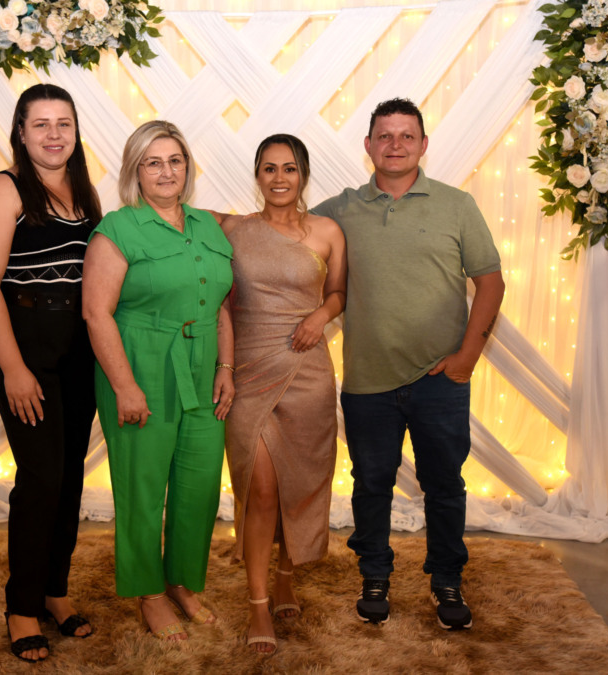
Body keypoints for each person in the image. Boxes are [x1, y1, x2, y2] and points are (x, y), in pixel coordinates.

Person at [312, 98, 505, 630]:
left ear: (423, 144)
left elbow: (490, 283)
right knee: (370, 484)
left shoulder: (457, 205)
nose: (395, 144)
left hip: (440, 379)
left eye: (406, 136)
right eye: (384, 135)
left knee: (444, 486)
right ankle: (374, 574)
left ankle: (446, 579)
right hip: (367, 381)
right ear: (368, 145)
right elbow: (282, 228)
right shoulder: (340, 210)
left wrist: (466, 358)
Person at [81, 120, 235, 642]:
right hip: (141, 365)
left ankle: (182, 582)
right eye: (153, 162)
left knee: (199, 486)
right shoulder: (118, 230)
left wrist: (227, 368)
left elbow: (220, 305)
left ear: (187, 167)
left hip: (203, 368)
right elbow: (96, 314)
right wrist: (125, 386)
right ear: (135, 172)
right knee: (142, 487)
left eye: (175, 160)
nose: (166, 172)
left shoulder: (209, 226)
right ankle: (148, 592)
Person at [0, 84, 102, 662]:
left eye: (63, 123)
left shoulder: (84, 191)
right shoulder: (5, 189)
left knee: (69, 476)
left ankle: (54, 591)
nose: (53, 134)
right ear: (20, 133)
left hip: (79, 348)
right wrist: (14, 370)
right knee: (41, 477)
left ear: (75, 131)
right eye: (40, 124)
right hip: (25, 345)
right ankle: (20, 605)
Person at [218, 134, 345, 653]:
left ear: (303, 175)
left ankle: (287, 576)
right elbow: (171, 209)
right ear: (257, 175)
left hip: (307, 369)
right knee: (261, 489)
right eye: (268, 168)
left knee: (298, 484)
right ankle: (257, 603)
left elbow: (338, 292)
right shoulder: (233, 229)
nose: (279, 178)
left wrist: (320, 315)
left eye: (289, 168)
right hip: (248, 373)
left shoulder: (328, 231)